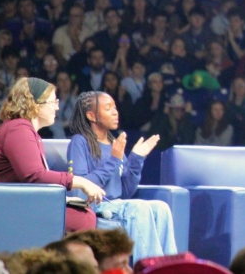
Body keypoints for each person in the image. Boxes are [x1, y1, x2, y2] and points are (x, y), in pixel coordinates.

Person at [67, 90, 178, 261]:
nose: (115, 112)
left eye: (115, 108)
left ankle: (170, 267)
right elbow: (80, 187)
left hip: (117, 204)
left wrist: (136, 159)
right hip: (96, 206)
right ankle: (150, 268)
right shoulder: (79, 141)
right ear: (91, 115)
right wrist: (113, 160)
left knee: (161, 208)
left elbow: (126, 191)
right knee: (139, 208)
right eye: (108, 108)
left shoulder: (114, 144)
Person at [0, 77, 103, 233]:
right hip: (1, 205)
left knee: (84, 214)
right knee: (81, 219)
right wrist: (80, 181)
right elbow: (34, 176)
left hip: (14, 201)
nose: (57, 108)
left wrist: (64, 199)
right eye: (53, 102)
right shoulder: (19, 129)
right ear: (34, 105)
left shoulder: (27, 131)